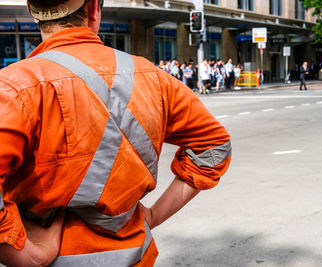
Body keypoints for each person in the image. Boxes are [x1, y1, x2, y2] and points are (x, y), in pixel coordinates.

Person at [0, 0, 232, 266]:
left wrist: (26, 255)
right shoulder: (153, 77)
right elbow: (214, 147)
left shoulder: (13, 86)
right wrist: (154, 215)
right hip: (136, 256)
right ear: (94, 8)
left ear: (32, 10)